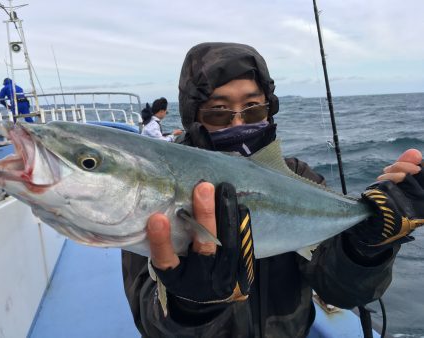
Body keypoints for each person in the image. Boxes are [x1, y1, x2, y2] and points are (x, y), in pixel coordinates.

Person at [121, 42, 424, 337]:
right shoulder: (159, 184)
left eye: (253, 109)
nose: (238, 122)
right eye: (218, 112)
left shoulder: (298, 176)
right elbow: (151, 321)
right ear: (193, 116)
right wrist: (192, 305)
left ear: (269, 108)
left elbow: (342, 291)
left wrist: (367, 245)